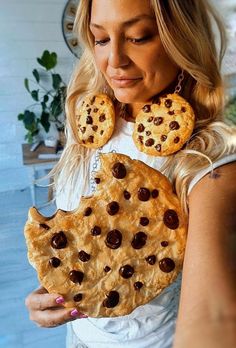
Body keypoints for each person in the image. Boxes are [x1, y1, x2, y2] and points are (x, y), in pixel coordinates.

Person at [25, 0, 236, 347]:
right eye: (101, 38)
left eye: (138, 37)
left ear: (180, 39)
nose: (114, 61)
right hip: (76, 337)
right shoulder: (89, 123)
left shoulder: (209, 164)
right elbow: (87, 242)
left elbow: (210, 328)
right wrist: (56, 290)